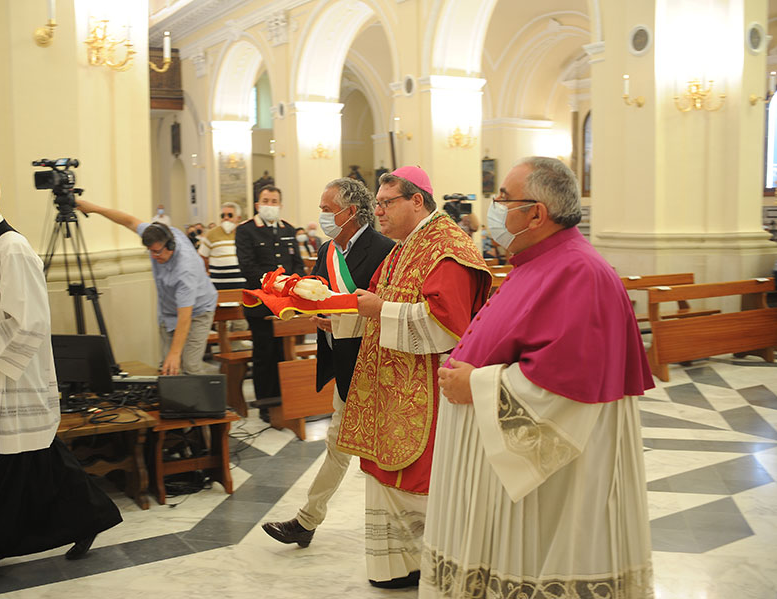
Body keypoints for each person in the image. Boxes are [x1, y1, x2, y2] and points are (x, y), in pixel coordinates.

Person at [420, 157, 655, 598]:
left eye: (503, 198)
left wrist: (477, 385)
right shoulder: (540, 260)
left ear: (536, 213)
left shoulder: (580, 272)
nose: (495, 207)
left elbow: (565, 389)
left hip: (555, 486)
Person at [0, 166, 121, 593]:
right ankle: (90, 517)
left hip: (10, 380)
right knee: (36, 459)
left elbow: (30, 322)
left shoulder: (14, 249)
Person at [335, 166, 491, 589]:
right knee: (385, 476)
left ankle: (437, 568)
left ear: (416, 200)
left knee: (422, 483)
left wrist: (378, 311)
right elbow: (376, 302)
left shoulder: (446, 248)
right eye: (377, 204)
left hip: (426, 394)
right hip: (392, 387)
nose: (377, 212)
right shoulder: (404, 247)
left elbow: (447, 327)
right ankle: (398, 567)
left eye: (386, 203)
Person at [261, 177, 395, 547]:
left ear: (350, 211)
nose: (321, 215)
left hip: (375, 366)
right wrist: (313, 315)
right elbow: (320, 296)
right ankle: (308, 521)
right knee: (339, 444)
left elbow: (385, 308)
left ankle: (311, 521)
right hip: (342, 361)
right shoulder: (328, 250)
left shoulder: (385, 249)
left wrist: (340, 316)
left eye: (325, 209)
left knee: (356, 447)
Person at [75, 199, 217, 375]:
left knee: (189, 366)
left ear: (171, 246)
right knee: (168, 368)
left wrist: (175, 354)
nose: (154, 256)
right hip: (169, 309)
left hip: (198, 311)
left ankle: (203, 399)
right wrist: (95, 208)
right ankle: (175, 401)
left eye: (157, 251)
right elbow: (129, 221)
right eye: (150, 251)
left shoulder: (185, 270)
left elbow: (185, 317)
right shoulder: (157, 234)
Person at [235, 185, 305, 422]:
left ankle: (287, 399)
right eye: (266, 200)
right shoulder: (246, 231)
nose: (270, 205)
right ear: (257, 204)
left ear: (280, 204)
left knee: (284, 352)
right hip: (260, 303)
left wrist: (291, 285)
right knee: (264, 353)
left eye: (274, 201)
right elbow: (248, 267)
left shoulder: (288, 229)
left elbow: (296, 263)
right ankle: (266, 402)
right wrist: (274, 286)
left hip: (286, 303)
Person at [198, 202, 245, 290]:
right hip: (218, 284)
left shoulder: (244, 233)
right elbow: (202, 257)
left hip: (241, 284)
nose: (226, 218)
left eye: (230, 215)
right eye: (223, 216)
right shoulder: (211, 234)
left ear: (238, 218)